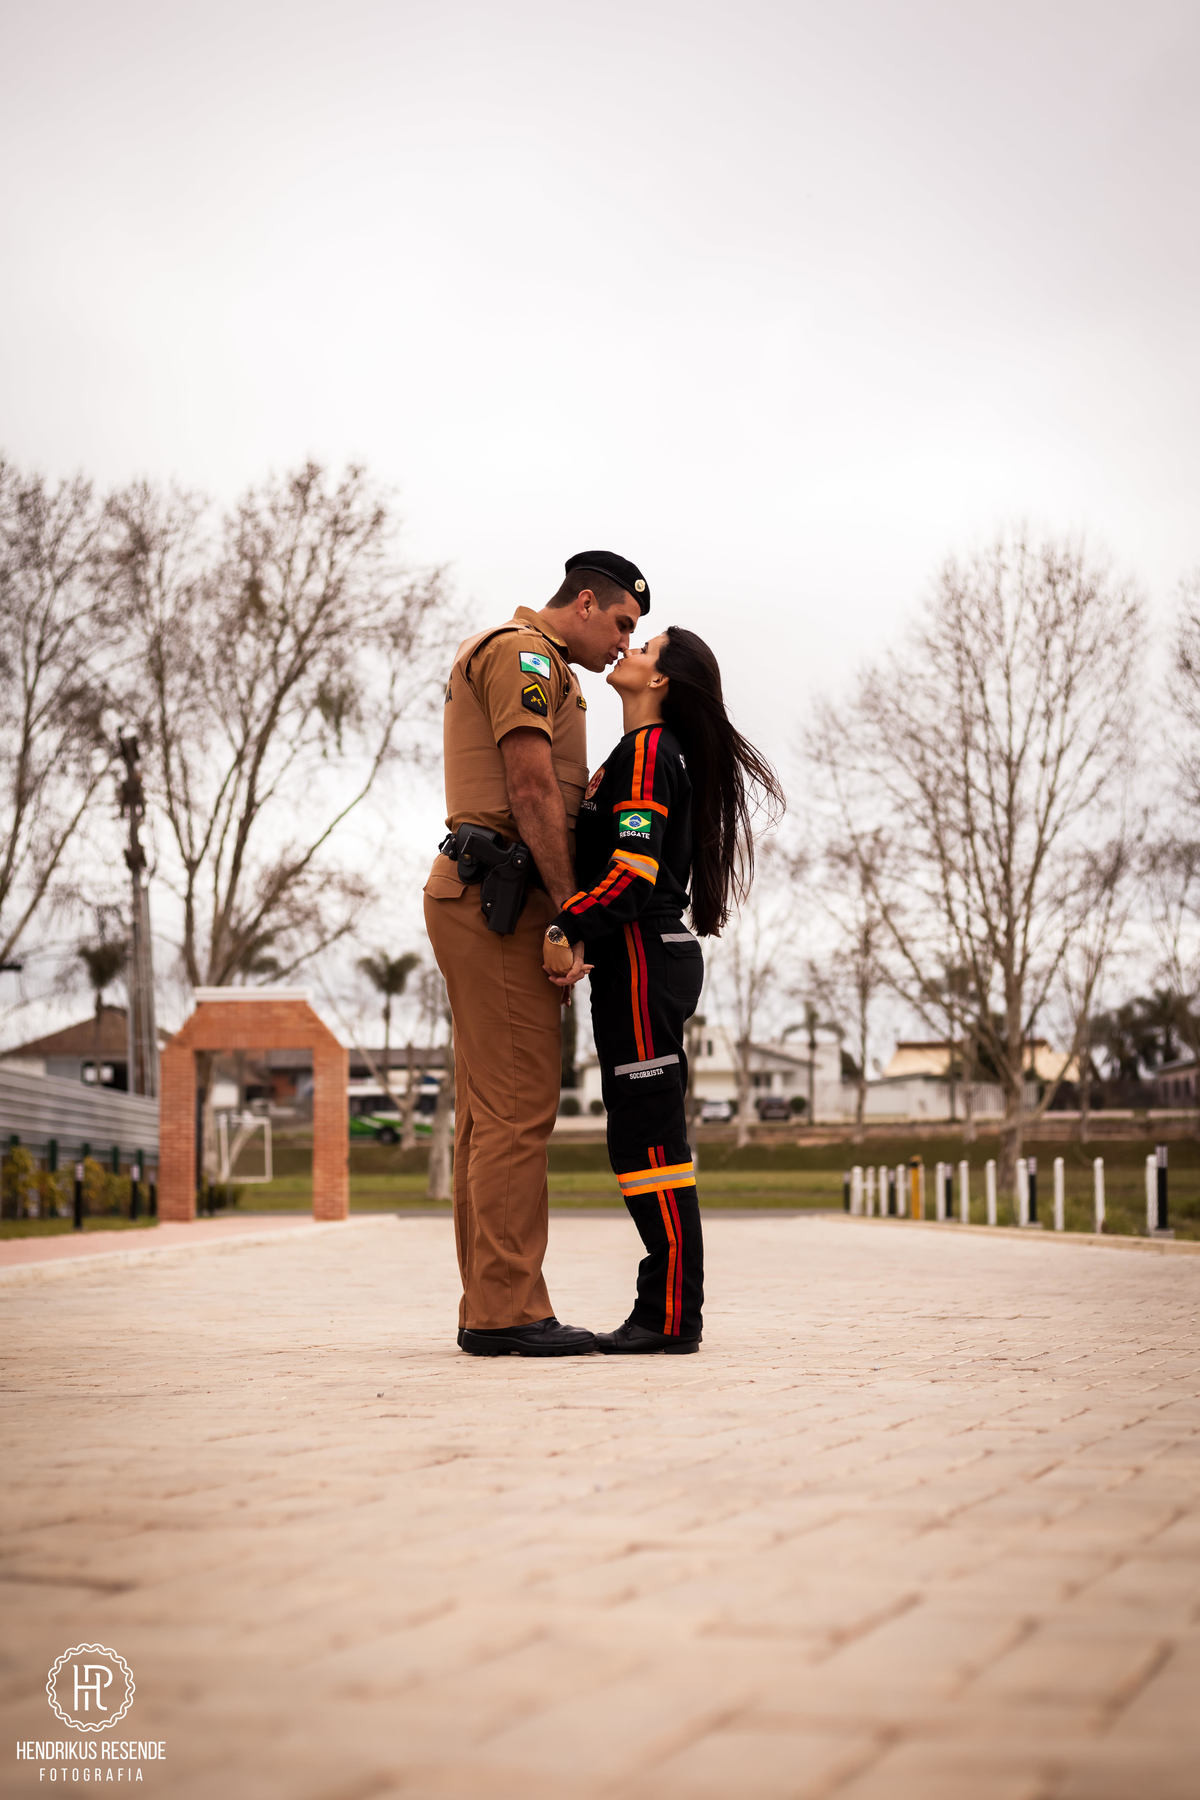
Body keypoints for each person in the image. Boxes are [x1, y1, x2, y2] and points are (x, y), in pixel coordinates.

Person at [423, 551, 648, 1356]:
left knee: (491, 1113)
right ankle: (507, 1311)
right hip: (504, 897)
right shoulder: (524, 656)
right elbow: (530, 789)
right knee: (518, 1110)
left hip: (488, 894)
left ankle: (491, 1300)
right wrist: (570, 913)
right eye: (623, 623)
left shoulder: (549, 666)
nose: (627, 642)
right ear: (584, 602)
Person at [545, 627, 784, 1353]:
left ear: (663, 683)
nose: (628, 651)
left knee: (651, 1144)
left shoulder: (650, 752)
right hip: (639, 955)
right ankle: (667, 1310)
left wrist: (564, 926)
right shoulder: (635, 754)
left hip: (646, 953)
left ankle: (671, 1316)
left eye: (645, 647)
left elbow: (631, 874)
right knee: (638, 1138)